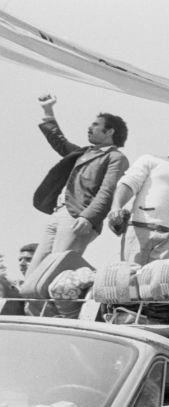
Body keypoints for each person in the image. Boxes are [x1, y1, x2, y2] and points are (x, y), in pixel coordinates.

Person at [27, 94, 129, 274]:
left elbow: (108, 191)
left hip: (78, 216)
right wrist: (47, 110)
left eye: (96, 125)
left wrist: (89, 217)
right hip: (58, 213)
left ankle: (92, 279)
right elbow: (59, 142)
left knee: (53, 273)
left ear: (110, 131)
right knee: (33, 274)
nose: (89, 127)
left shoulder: (115, 157)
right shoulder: (83, 153)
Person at [107, 134, 169, 265]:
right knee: (129, 275)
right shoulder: (151, 160)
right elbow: (130, 183)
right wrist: (116, 207)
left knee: (158, 281)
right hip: (141, 227)